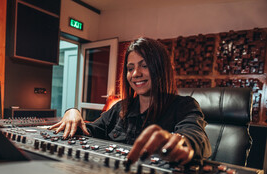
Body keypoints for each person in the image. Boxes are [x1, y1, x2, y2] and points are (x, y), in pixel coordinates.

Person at [49, 37, 211, 165]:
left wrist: (179, 142)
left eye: (144, 66)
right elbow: (89, 131)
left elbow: (195, 137)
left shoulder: (185, 106)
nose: (135, 74)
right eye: (130, 68)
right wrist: (72, 112)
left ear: (161, 70)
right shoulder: (120, 108)